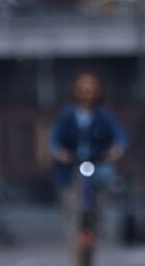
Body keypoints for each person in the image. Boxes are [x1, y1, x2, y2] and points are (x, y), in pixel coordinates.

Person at [48, 72, 126, 266]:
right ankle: (76, 261)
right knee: (74, 219)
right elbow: (54, 140)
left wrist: (115, 150)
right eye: (83, 87)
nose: (87, 92)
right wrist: (60, 153)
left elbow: (120, 137)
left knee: (94, 220)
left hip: (97, 169)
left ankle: (89, 258)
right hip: (72, 170)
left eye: (91, 87)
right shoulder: (67, 115)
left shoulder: (104, 115)